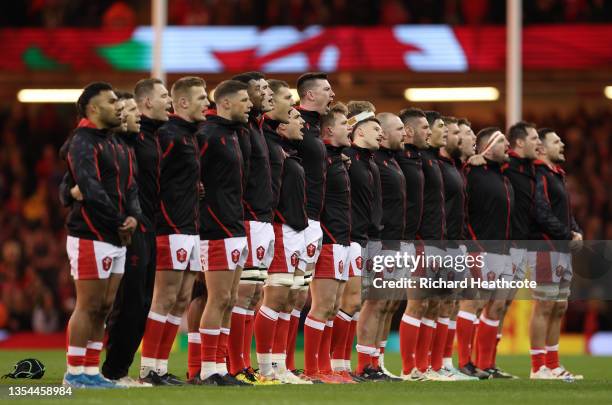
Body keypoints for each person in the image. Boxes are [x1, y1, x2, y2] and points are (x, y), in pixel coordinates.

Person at [63, 82, 140, 388]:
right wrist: (120, 220)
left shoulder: (116, 142)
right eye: (111, 101)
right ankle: (74, 372)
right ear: (93, 109)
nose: (117, 106)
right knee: (88, 305)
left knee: (106, 306)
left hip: (116, 235)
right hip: (91, 234)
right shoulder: (82, 141)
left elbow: (131, 186)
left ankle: (91, 371)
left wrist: (133, 216)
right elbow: (90, 187)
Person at [139, 76, 209, 386]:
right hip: (170, 228)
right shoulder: (166, 135)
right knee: (164, 298)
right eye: (201, 98)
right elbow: (150, 178)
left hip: (190, 228)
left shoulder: (189, 136)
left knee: (181, 300)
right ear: (183, 103)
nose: (206, 103)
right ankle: (149, 369)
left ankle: (161, 367)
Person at [101, 81, 170, 387]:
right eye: (128, 110)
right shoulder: (120, 143)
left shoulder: (150, 137)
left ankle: (120, 369)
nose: (134, 116)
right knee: (126, 302)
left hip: (149, 226)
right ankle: (111, 370)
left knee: (141, 302)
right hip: (131, 228)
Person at [196, 80, 253, 386]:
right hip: (214, 227)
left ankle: (220, 365)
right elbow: (185, 171)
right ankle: (207, 369)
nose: (249, 104)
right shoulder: (207, 134)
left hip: (234, 225)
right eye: (244, 100)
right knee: (217, 298)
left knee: (230, 299)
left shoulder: (233, 135)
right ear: (226, 103)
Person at [256, 104, 312, 384]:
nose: (301, 120)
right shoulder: (273, 149)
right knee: (275, 298)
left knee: (292, 300)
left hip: (296, 229)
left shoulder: (290, 152)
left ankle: (280, 365)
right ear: (279, 125)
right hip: (280, 228)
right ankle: (265, 367)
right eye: (294, 116)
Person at [228, 73, 276, 383]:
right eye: (259, 88)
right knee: (241, 295)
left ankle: (243, 365)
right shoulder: (240, 129)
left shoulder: (257, 127)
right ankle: (235, 365)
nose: (266, 91)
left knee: (253, 294)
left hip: (261, 218)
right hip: (245, 218)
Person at [332, 101, 382, 382]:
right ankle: (336, 364)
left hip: (365, 238)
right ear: (358, 131)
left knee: (353, 304)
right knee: (346, 303)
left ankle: (341, 364)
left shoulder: (369, 162)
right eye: (375, 128)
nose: (381, 133)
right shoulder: (347, 159)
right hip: (348, 238)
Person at [303, 103, 353, 384]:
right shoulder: (323, 161)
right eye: (345, 124)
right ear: (330, 129)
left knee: (332, 306)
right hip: (329, 237)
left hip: (342, 240)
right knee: (322, 305)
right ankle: (313, 369)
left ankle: (325, 367)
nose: (350, 129)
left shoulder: (338, 158)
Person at [460, 127, 515, 379]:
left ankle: (485, 364)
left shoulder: (502, 176)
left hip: (503, 251)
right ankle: (464, 362)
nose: (508, 147)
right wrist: (473, 244)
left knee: (497, 306)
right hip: (480, 247)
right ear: (489, 146)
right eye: (503, 142)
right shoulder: (471, 172)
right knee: (474, 303)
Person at [529, 128, 583, 380]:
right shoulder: (539, 174)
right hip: (545, 249)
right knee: (545, 305)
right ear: (540, 149)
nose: (562, 143)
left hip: (561, 249)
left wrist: (575, 230)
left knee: (559, 306)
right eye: (556, 141)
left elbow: (565, 212)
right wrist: (567, 234)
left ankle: (553, 364)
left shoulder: (557, 174)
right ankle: (538, 366)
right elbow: (541, 212)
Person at [357, 112, 405, 382]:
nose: (404, 133)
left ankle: (377, 361)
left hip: (398, 241)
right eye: (399, 129)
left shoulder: (393, 162)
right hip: (381, 241)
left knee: (388, 305)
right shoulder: (375, 162)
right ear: (383, 134)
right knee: (375, 303)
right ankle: (365, 363)